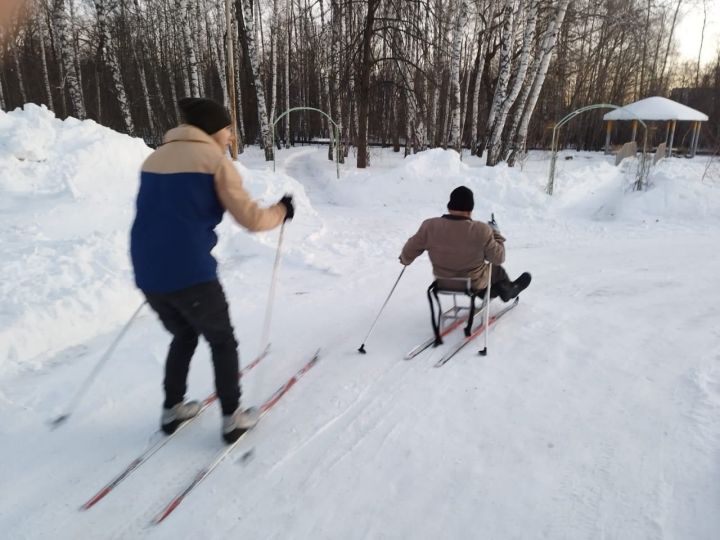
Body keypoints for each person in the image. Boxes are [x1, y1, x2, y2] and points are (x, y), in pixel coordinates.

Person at [130, 97, 294, 444]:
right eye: (228, 128)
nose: (231, 136)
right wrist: (280, 210)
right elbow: (250, 218)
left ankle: (173, 407)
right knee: (221, 340)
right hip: (190, 273)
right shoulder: (214, 162)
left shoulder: (153, 159)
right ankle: (232, 418)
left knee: (185, 335)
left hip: (147, 272)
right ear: (211, 129)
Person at [399, 186, 530, 301]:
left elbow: (409, 250)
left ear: (449, 206)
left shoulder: (430, 226)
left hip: (443, 282)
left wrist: (405, 259)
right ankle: (507, 290)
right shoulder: (481, 230)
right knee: (495, 270)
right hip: (473, 284)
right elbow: (498, 258)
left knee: (486, 272)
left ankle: (496, 291)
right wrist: (496, 233)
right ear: (470, 209)